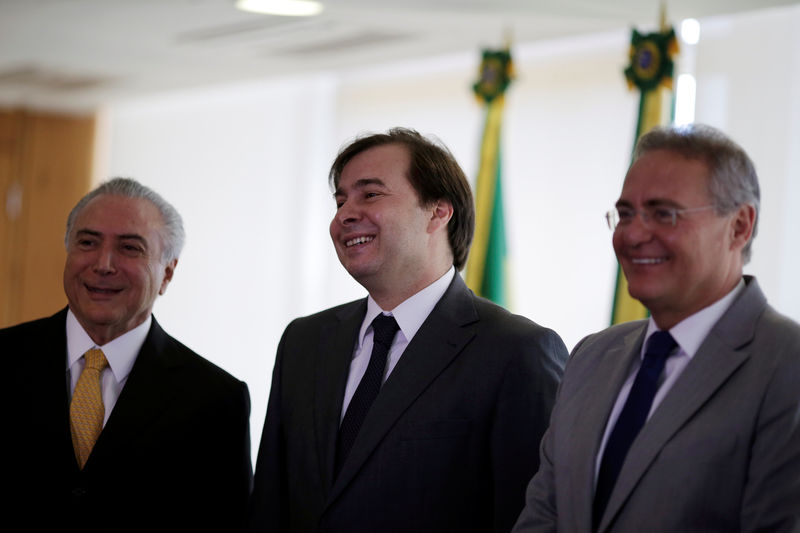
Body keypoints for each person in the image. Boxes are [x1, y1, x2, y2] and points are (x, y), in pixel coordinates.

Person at [247, 128, 568, 533]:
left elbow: (527, 519)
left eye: (370, 194)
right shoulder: (304, 341)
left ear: (438, 211)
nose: (344, 214)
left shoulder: (516, 351)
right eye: (341, 199)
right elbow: (271, 506)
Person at [512, 124, 800, 533]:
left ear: (739, 226)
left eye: (664, 214)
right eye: (625, 213)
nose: (632, 234)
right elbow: (543, 516)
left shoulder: (785, 364)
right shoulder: (591, 356)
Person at [2, 178, 252, 532]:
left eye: (130, 248)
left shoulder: (216, 399)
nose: (103, 264)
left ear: (167, 272)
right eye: (87, 243)